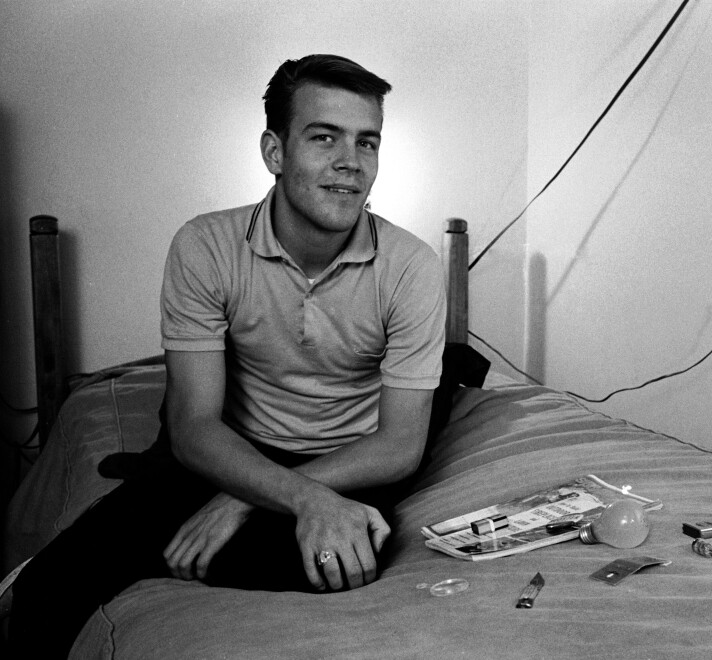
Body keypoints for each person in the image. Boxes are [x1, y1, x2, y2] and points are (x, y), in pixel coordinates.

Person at [6, 53, 446, 658]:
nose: (351, 162)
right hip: (227, 448)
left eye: (367, 142)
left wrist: (244, 501)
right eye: (324, 137)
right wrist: (291, 497)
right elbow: (193, 428)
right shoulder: (206, 246)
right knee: (43, 591)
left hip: (348, 458)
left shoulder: (413, 267)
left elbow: (399, 447)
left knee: (342, 566)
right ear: (274, 152)